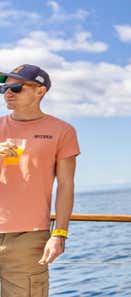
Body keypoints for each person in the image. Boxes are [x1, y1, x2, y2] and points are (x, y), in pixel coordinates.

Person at [0, 64, 80, 296]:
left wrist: (60, 234)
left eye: (15, 87)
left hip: (29, 237)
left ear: (40, 91)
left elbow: (66, 185)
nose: (8, 92)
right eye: (5, 87)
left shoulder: (62, 131)